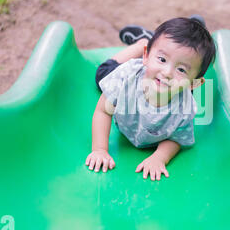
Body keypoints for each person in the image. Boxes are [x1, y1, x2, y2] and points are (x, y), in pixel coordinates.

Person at [85, 16, 216, 181]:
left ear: (195, 83)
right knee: (102, 74)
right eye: (162, 59)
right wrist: (99, 150)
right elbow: (103, 111)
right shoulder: (125, 77)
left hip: (177, 88)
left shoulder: (185, 109)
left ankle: (194, 29)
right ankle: (141, 43)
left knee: (183, 68)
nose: (167, 72)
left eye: (181, 69)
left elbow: (177, 138)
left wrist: (159, 157)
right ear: (146, 56)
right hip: (136, 71)